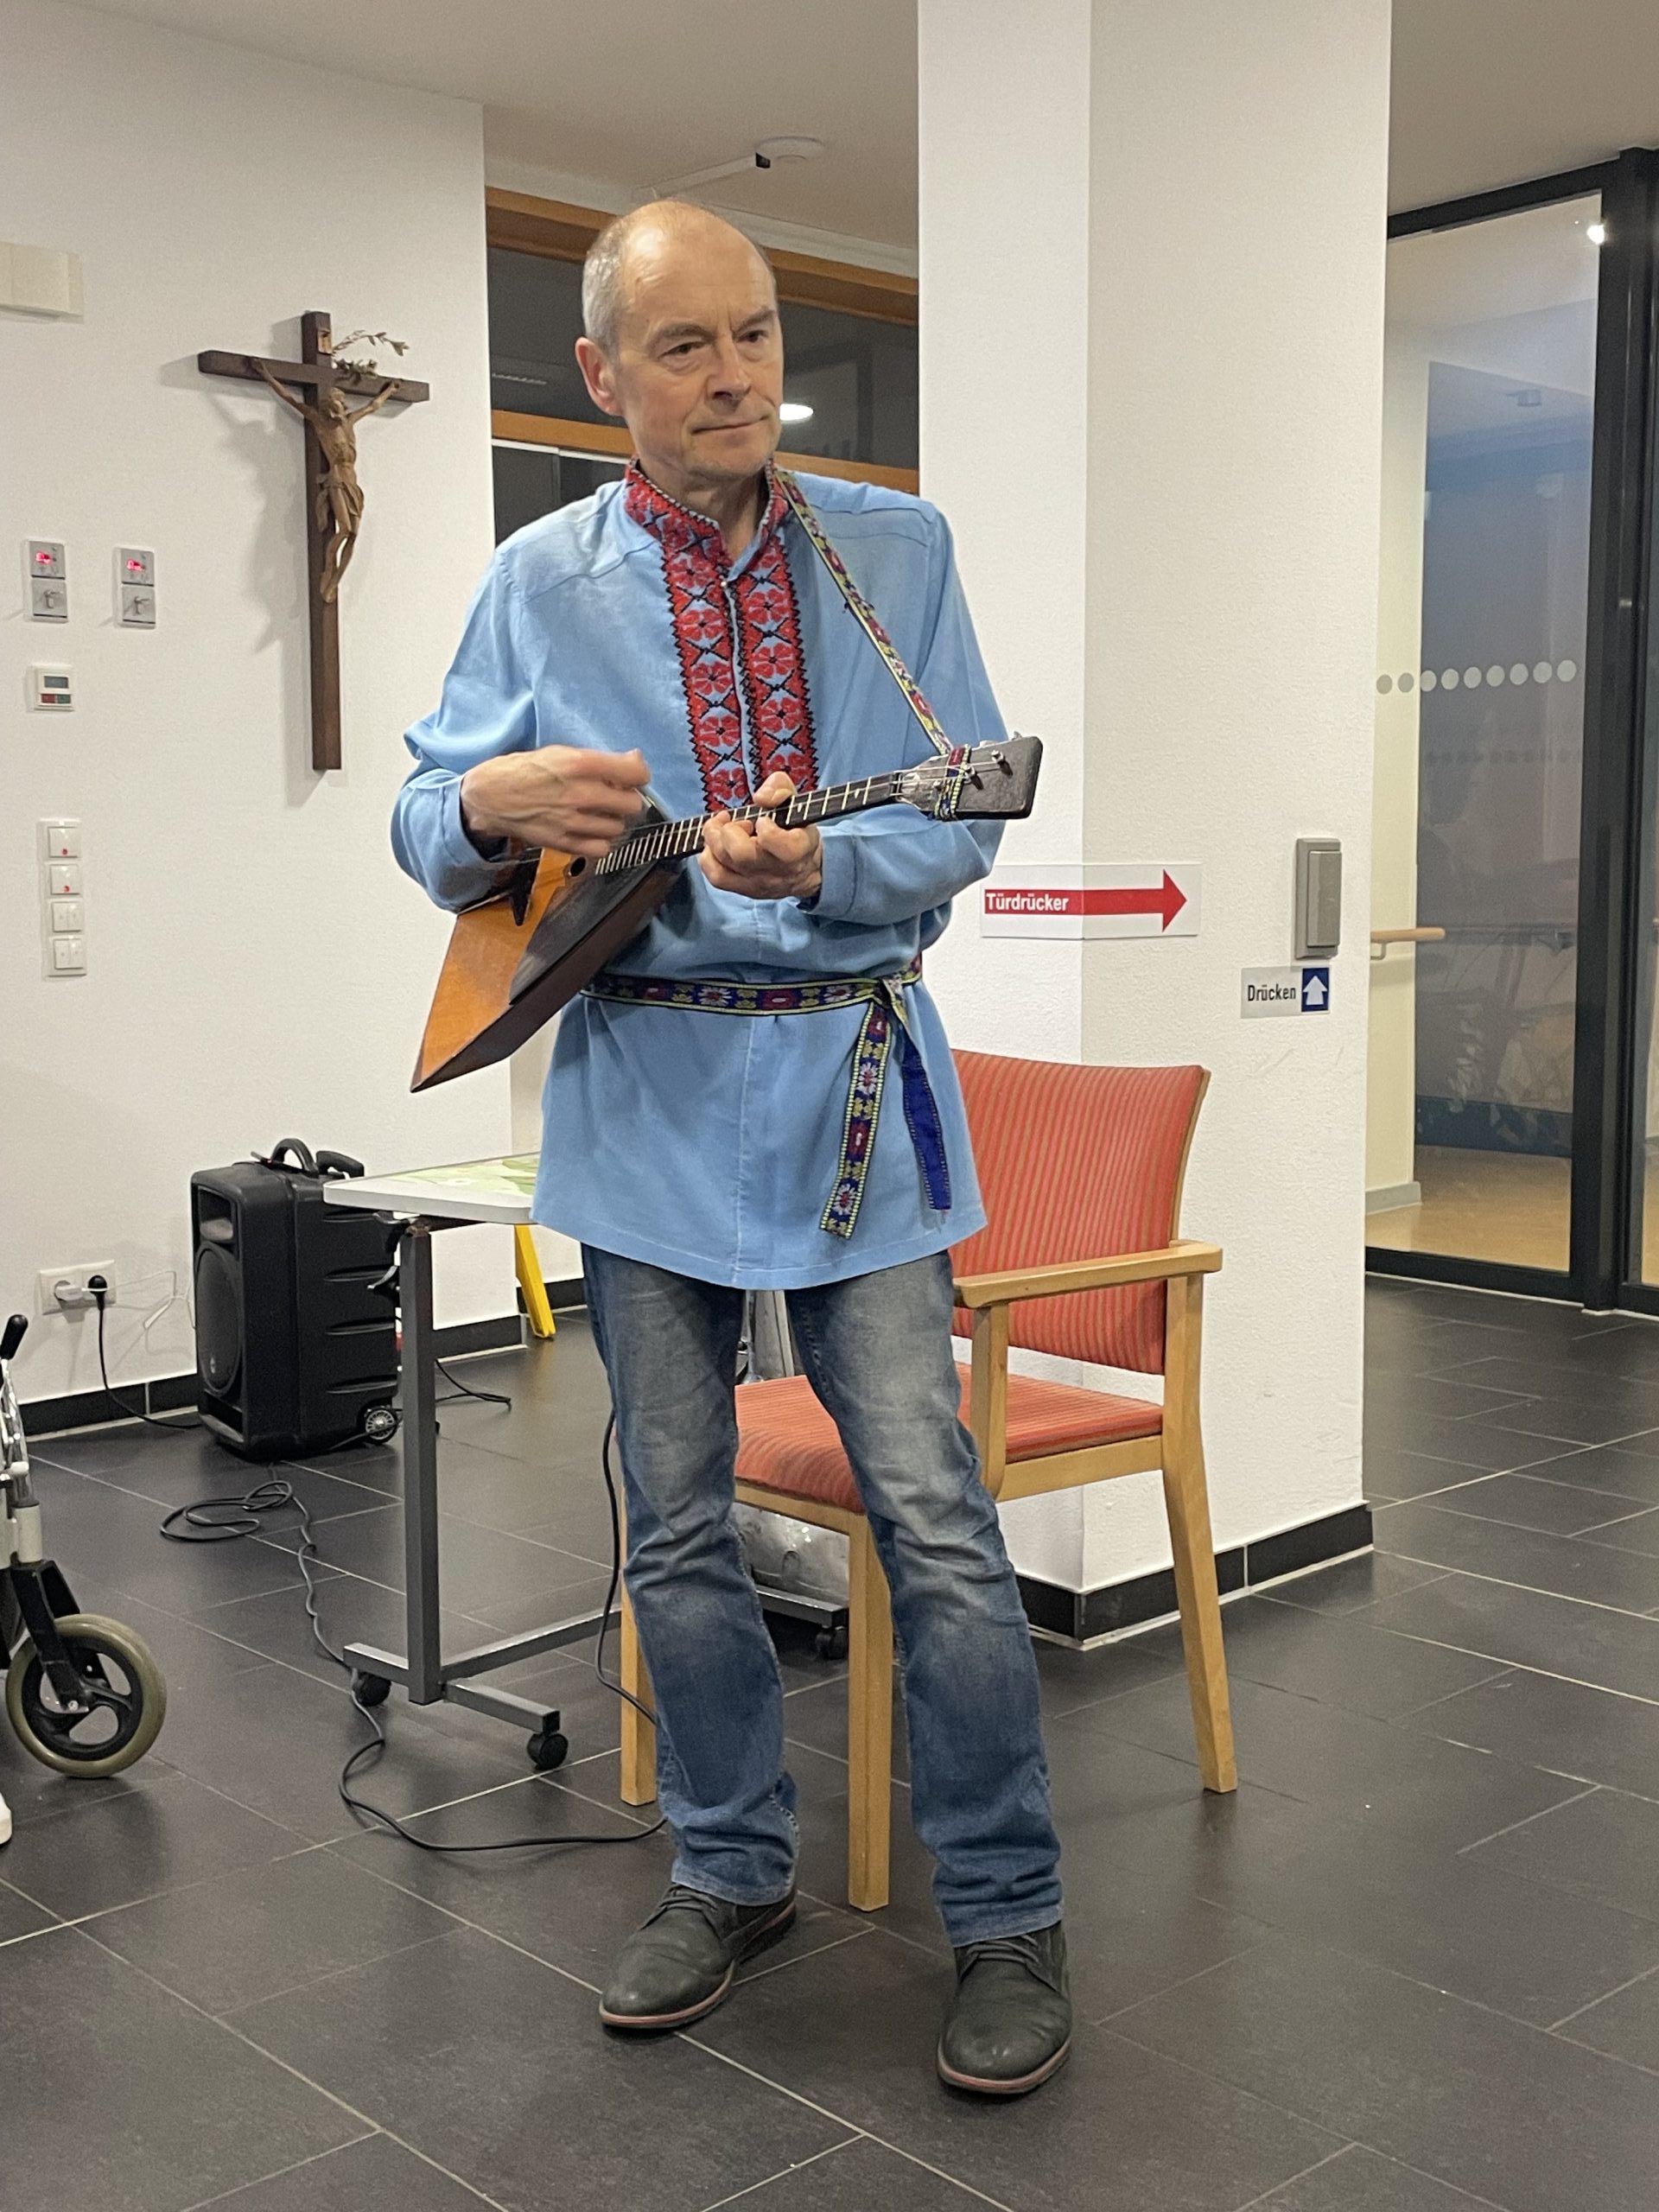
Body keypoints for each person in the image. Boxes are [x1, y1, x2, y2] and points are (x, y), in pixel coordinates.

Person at [392, 200, 1069, 2096]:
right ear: (602, 376)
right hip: (643, 1093)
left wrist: (836, 859)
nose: (738, 376)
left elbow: (966, 808)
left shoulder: (896, 550)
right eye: (684, 347)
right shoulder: (537, 581)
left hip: (855, 1075)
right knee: (675, 1518)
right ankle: (727, 1865)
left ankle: (1010, 1907)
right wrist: (484, 799)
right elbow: (428, 814)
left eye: (757, 335)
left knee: (931, 1517)